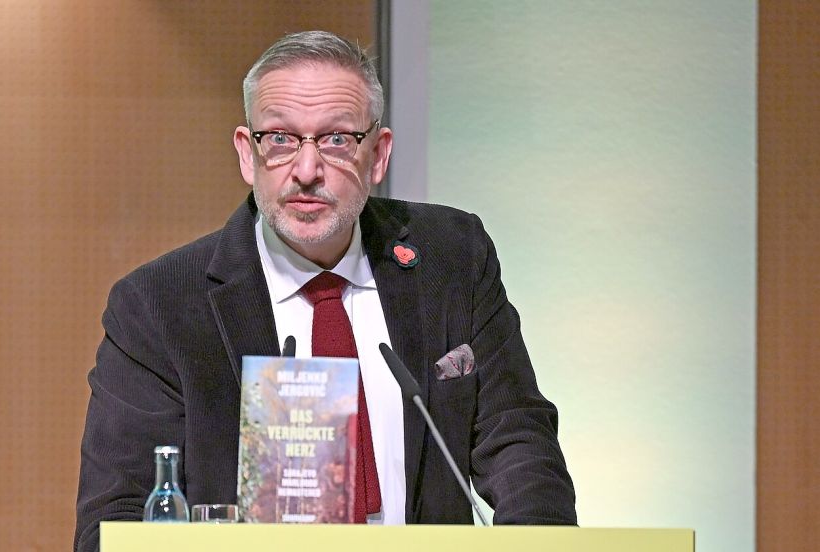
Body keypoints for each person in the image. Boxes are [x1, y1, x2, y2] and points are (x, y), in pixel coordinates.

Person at [74, 30, 576, 551]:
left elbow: (518, 441)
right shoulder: (161, 305)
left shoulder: (452, 257)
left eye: (337, 139)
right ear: (248, 155)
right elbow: (118, 519)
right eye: (281, 140)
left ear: (378, 155)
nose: (307, 171)